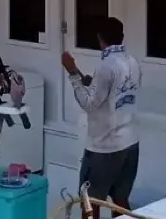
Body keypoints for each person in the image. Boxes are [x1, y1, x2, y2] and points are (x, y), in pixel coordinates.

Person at [61, 16, 142, 218]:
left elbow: (89, 103)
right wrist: (88, 81)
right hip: (130, 145)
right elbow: (115, 94)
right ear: (122, 37)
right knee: (121, 201)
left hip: (105, 148)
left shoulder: (106, 66)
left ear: (100, 38)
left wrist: (72, 73)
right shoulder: (133, 62)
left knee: (90, 203)